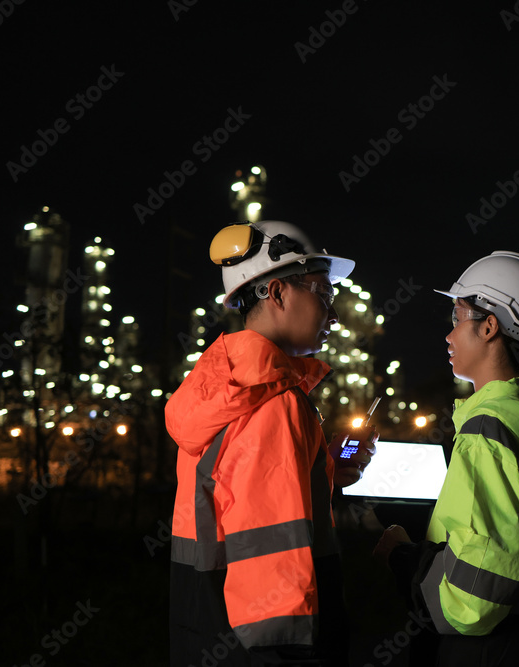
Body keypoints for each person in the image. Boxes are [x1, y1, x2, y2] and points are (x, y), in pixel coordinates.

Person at [373, 251, 519, 666]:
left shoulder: (487, 431)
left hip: (486, 649)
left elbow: (476, 598)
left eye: (456, 318)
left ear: (488, 327)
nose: (448, 336)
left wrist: (403, 557)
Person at [167, 220, 377, 667]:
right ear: (278, 293)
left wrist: (327, 472)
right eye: (324, 294)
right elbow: (272, 556)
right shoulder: (274, 404)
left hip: (206, 626)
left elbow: (242, 508)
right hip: (268, 646)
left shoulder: (224, 387)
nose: (333, 315)